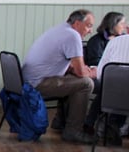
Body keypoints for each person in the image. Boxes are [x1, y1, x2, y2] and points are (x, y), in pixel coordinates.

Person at [21, 9, 97, 144]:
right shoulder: (72, 35)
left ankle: (60, 121)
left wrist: (78, 70)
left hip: (28, 80)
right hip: (37, 83)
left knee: (75, 81)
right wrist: (92, 72)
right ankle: (73, 131)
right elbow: (81, 72)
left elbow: (62, 62)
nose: (91, 31)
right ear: (78, 23)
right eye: (89, 26)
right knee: (86, 83)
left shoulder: (61, 29)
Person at [88, 33, 129, 145]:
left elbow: (101, 73)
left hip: (109, 97)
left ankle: (93, 123)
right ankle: (115, 124)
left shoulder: (115, 41)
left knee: (115, 85)